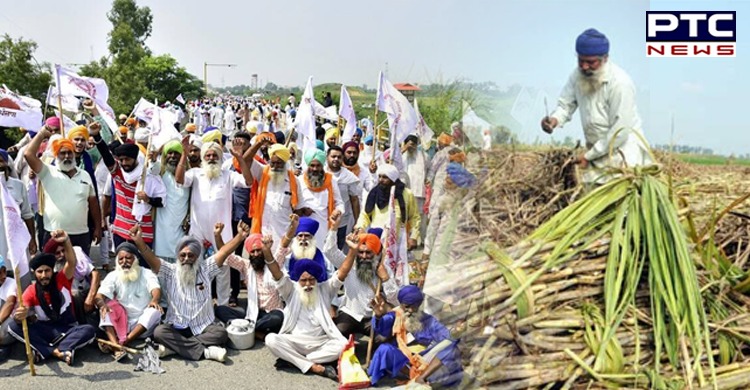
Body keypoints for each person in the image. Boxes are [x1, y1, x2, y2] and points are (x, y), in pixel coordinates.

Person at [541, 28, 653, 185]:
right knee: (591, 199)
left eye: (591, 62)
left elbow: (620, 132)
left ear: (605, 58)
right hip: (596, 153)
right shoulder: (577, 75)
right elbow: (566, 104)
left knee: (620, 205)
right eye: (581, 61)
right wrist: (554, 119)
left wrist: (588, 156)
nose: (585, 67)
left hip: (623, 156)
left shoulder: (620, 84)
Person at [130, 224, 247, 362]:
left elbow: (224, 252)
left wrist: (240, 236)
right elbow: (152, 259)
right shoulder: (170, 271)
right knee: (159, 332)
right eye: (182, 255)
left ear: (197, 256)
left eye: (190, 255)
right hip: (177, 325)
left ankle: (174, 348)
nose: (186, 258)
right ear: (178, 256)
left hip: (203, 326)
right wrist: (139, 241)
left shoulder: (206, 269)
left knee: (220, 333)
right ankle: (206, 352)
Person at [264, 222, 359, 381]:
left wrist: (353, 251)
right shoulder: (291, 289)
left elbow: (342, 272)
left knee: (344, 345)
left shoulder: (324, 289)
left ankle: (296, 362)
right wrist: (267, 252)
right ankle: (314, 365)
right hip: (295, 340)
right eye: (304, 281)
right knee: (271, 340)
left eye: (311, 280)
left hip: (321, 342)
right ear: (298, 280)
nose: (308, 284)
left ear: (316, 279)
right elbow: (276, 273)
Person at [175, 137, 253, 307]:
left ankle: (223, 306)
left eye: (214, 155)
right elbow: (179, 181)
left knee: (223, 270)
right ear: (203, 158)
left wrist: (240, 158)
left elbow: (248, 182)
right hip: (198, 232)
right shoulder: (195, 173)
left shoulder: (229, 175)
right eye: (208, 155)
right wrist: (184, 154)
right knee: (194, 267)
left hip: (221, 234)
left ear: (220, 157)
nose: (211, 158)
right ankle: (197, 304)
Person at [10, 231, 97, 365]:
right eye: (40, 272)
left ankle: (44, 350)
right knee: (13, 326)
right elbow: (22, 311)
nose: (44, 275)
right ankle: (57, 351)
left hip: (67, 328)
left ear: (52, 270)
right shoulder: (31, 291)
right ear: (35, 273)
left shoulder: (62, 279)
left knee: (89, 330)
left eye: (47, 271)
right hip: (45, 329)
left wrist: (66, 240)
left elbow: (72, 262)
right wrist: (19, 315)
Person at [23, 124, 102, 256]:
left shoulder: (85, 175)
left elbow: (93, 203)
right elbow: (28, 154)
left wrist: (98, 228)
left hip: (81, 234)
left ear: (74, 154)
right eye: (62, 153)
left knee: (80, 273)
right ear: (56, 155)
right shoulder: (47, 172)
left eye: (69, 152)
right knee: (54, 273)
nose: (66, 156)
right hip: (55, 234)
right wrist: (42, 133)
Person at [368, 286, 463, 387]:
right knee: (384, 349)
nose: (411, 310)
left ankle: (421, 378)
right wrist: (378, 316)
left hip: (423, 361)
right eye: (407, 306)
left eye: (415, 306)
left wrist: (455, 332)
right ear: (401, 304)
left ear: (419, 304)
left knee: (451, 347)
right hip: (402, 362)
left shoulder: (428, 320)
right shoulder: (395, 315)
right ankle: (410, 375)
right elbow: (381, 328)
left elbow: (446, 337)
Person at [323, 214, 398, 338]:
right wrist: (334, 227)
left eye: (368, 253)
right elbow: (329, 251)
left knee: (384, 338)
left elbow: (394, 299)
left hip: (373, 317)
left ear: (377, 253)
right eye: (360, 252)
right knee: (338, 333)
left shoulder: (383, 269)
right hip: (350, 313)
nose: (363, 256)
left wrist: (385, 278)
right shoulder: (349, 264)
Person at [214, 225, 284, 340]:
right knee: (221, 310)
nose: (256, 254)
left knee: (277, 318)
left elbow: (283, 246)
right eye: (253, 251)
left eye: (259, 250)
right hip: (252, 313)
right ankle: (256, 331)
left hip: (271, 313)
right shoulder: (246, 266)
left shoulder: (274, 264)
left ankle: (244, 329)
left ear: (264, 249)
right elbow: (225, 254)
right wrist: (217, 236)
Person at [95, 242, 162, 361]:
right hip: (122, 323)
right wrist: (102, 304)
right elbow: (99, 296)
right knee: (105, 309)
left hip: (143, 327)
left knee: (154, 311)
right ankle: (117, 345)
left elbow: (155, 289)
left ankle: (121, 344)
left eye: (128, 258)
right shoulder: (113, 275)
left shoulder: (146, 273)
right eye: (120, 259)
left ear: (135, 259)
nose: (124, 262)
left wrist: (154, 300)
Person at [355, 164, 421, 251]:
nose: (381, 180)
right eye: (379, 177)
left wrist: (414, 237)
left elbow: (414, 217)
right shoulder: (374, 193)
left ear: (393, 179)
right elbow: (365, 214)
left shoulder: (406, 194)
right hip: (376, 237)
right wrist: (360, 228)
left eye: (385, 177)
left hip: (397, 240)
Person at [300, 149, 344, 248]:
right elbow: (294, 203)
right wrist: (302, 208)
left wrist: (338, 211)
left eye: (318, 165)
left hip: (324, 226)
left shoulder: (331, 180)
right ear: (308, 165)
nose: (315, 169)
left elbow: (339, 203)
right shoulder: (299, 181)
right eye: (312, 165)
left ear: (322, 166)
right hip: (304, 227)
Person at [325, 145, 362, 250]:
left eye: (339, 157)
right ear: (327, 157)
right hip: (323, 218)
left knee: (336, 250)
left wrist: (357, 221)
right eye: (333, 156)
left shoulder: (349, 177)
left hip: (341, 221)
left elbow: (354, 200)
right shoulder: (320, 173)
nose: (336, 159)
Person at [402, 134, 429, 243]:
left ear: (417, 145)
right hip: (405, 191)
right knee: (405, 217)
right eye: (409, 145)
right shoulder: (402, 155)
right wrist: (403, 150)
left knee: (420, 218)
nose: (411, 147)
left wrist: (429, 178)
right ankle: (406, 240)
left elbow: (430, 169)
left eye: (413, 145)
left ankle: (422, 240)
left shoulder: (424, 156)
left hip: (418, 191)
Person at [0, 256, 17, 361]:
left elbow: (10, 303)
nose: (3, 276)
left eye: (4, 271)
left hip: (5, 322)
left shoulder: (11, 283)